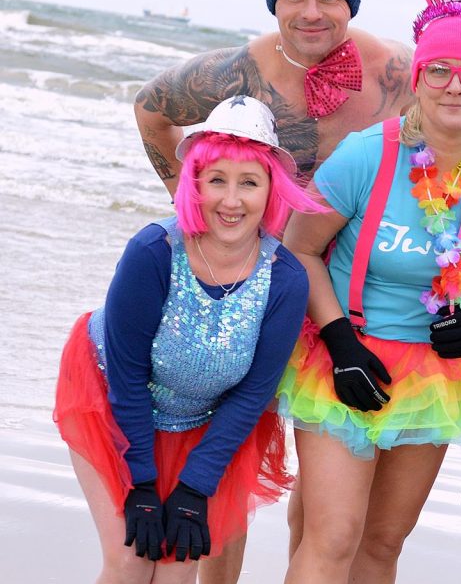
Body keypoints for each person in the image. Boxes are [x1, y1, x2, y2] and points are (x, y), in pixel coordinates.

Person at [276, 0, 461, 583]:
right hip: (345, 357)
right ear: (417, 78)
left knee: (383, 541)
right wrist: (340, 343)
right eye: (439, 69)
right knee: (334, 537)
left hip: (434, 374)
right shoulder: (367, 154)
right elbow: (300, 250)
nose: (455, 85)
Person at [53, 95, 327, 583]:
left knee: (176, 570)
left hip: (203, 422)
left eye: (249, 182)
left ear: (272, 190)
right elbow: (127, 376)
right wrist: (142, 483)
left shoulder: (285, 279)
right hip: (113, 398)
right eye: (216, 179)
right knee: (130, 560)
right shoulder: (153, 251)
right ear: (194, 183)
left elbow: (254, 394)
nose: (231, 200)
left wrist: (195, 488)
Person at [135, 0, 415, 196]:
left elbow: (437, 138)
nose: (311, 13)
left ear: (350, 6)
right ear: (275, 5)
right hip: (265, 226)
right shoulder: (241, 70)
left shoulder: (395, 69)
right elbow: (149, 109)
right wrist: (187, 200)